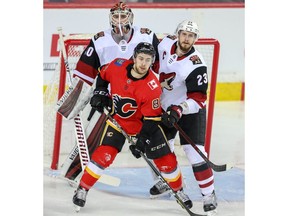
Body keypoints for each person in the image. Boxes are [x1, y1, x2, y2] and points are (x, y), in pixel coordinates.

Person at [72, 42, 192, 211]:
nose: (143, 63)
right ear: (134, 58)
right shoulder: (117, 65)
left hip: (145, 125)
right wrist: (100, 92)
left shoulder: (152, 86)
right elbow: (102, 76)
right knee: (104, 155)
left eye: (148, 60)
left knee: (166, 161)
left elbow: (151, 120)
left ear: (152, 62)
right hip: (118, 122)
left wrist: (141, 142)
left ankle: (179, 191)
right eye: (141, 58)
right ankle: (82, 189)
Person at [63, 1, 160, 181]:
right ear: (111, 18)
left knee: (150, 139)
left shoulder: (147, 36)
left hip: (140, 98)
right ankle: (74, 175)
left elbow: (157, 68)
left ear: (131, 17)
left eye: (124, 16)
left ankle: (161, 179)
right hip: (111, 99)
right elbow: (85, 73)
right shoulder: (100, 40)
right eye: (116, 16)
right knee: (95, 137)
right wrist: (92, 94)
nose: (121, 20)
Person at [151, 20, 218, 213]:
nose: (187, 39)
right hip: (164, 109)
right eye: (184, 34)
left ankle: (208, 194)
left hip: (189, 111)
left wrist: (179, 109)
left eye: (191, 36)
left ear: (195, 39)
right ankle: (172, 181)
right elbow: (154, 64)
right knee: (160, 149)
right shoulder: (165, 44)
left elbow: (198, 99)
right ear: (177, 34)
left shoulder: (196, 65)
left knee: (195, 152)